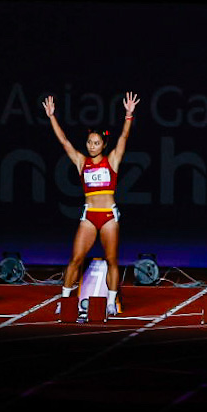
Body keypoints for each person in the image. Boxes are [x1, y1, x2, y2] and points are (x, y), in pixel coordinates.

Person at [43, 91, 138, 314]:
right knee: (75, 259)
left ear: (103, 145)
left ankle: (111, 303)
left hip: (108, 217)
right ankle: (65, 301)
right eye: (89, 142)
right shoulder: (81, 162)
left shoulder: (112, 161)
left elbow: (123, 138)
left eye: (96, 143)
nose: (92, 146)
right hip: (89, 215)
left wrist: (128, 115)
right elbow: (64, 141)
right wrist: (51, 117)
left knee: (111, 260)